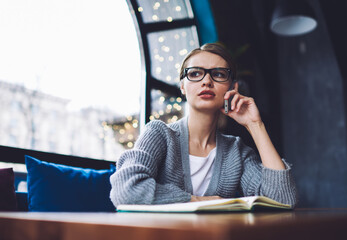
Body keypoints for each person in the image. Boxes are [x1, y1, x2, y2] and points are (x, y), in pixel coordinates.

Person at [110, 43, 297, 206]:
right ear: (182, 86)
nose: (207, 81)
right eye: (195, 73)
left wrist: (255, 125)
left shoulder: (236, 151)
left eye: (218, 74)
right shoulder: (159, 134)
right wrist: (195, 200)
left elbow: (282, 200)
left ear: (232, 88)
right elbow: (126, 190)